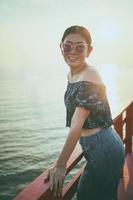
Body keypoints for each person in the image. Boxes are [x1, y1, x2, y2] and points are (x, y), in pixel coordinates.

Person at [44, 25, 125, 200]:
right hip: (95, 147)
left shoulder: (90, 74)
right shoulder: (72, 74)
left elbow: (76, 123)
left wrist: (60, 165)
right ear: (61, 47)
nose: (72, 51)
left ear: (89, 50)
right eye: (67, 45)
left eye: (80, 46)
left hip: (104, 148)